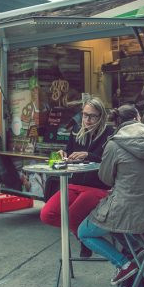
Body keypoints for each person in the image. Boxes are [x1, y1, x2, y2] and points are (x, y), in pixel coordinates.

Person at [78, 104, 144, 285]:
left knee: (84, 232)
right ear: (138, 118)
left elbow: (105, 179)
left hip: (127, 209)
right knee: (113, 222)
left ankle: (124, 265)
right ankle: (137, 247)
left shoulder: (114, 144)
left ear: (117, 123)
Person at [40, 97, 115, 256]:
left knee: (72, 215)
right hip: (74, 183)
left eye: (92, 116)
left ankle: (89, 240)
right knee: (47, 214)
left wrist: (89, 155)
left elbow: (110, 161)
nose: (87, 119)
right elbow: (69, 153)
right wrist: (63, 155)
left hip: (98, 186)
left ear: (101, 116)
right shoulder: (76, 131)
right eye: (84, 115)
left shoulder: (110, 134)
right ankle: (83, 238)